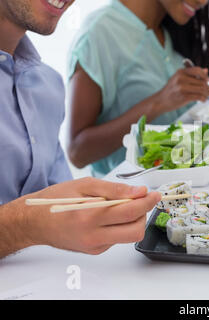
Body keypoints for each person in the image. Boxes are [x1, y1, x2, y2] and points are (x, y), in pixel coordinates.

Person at [0, 0, 161, 259]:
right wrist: (25, 225)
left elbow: (60, 206)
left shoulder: (47, 85)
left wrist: (101, 212)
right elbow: (37, 222)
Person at [67, 0, 209, 177]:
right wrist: (159, 102)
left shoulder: (168, 25)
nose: (203, 2)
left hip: (185, 185)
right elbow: (77, 152)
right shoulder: (99, 34)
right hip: (132, 195)